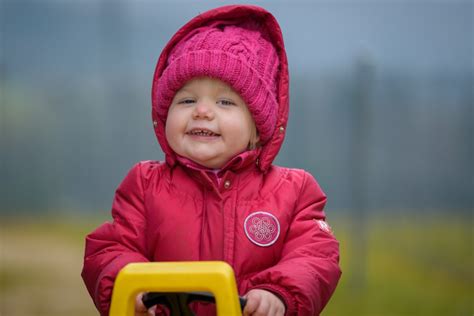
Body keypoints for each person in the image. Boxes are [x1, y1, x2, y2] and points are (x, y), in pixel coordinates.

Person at [81, 4, 341, 316]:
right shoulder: (145, 185)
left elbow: (315, 256)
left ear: (258, 129)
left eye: (225, 101)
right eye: (187, 100)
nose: (202, 111)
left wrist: (279, 293)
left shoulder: (294, 191)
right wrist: (134, 287)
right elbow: (109, 249)